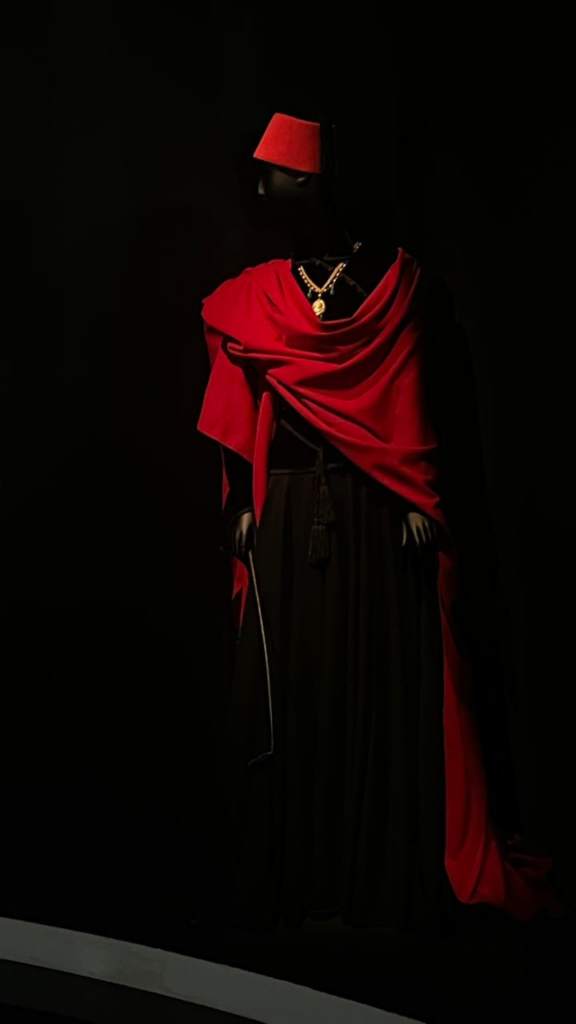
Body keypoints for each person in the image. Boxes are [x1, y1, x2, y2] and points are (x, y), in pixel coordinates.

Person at [196, 112, 566, 933]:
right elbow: (238, 399)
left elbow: (407, 402)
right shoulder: (256, 293)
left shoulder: (396, 284)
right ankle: (298, 872)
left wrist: (414, 498)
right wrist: (241, 504)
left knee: (370, 685)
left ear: (308, 178)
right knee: (297, 687)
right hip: (286, 516)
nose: (259, 186)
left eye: (271, 172)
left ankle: (372, 867)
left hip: (370, 515)